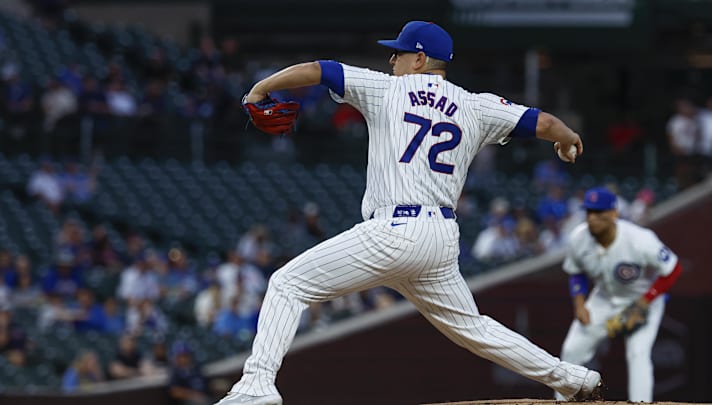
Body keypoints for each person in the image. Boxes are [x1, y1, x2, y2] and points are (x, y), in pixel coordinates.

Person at [215, 21, 601, 405]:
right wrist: (568, 141)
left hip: (395, 230)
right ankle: (572, 378)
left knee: (287, 283)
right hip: (440, 240)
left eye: (397, 53)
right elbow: (548, 123)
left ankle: (256, 385)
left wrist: (262, 87)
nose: (391, 59)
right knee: (474, 328)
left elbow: (320, 69)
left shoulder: (386, 88)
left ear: (419, 59)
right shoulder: (474, 104)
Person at [556, 187, 683, 402]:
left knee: (638, 354)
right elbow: (575, 272)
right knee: (571, 350)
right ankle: (563, 401)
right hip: (603, 298)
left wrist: (645, 301)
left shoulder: (640, 239)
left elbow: (673, 269)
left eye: (599, 212)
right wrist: (579, 304)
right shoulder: (578, 238)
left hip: (643, 297)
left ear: (613, 213)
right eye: (589, 212)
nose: (593, 218)